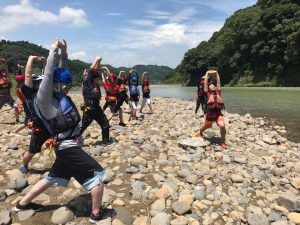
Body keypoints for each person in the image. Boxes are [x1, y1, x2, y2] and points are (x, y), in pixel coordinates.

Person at [14, 39, 108, 223]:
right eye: (65, 86)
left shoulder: (57, 95)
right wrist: (53, 51)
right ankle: (96, 215)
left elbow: (59, 72)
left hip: (65, 145)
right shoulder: (44, 101)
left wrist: (64, 53)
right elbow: (49, 74)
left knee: (51, 177)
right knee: (97, 176)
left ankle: (23, 204)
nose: (68, 88)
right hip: (67, 147)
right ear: (50, 86)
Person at [19, 56, 52, 173]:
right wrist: (30, 59)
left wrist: (45, 62)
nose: (42, 83)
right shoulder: (30, 93)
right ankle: (25, 165)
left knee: (62, 145)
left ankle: (65, 164)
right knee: (32, 151)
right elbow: (27, 76)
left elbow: (48, 74)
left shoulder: (48, 91)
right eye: (39, 82)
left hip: (53, 125)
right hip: (40, 127)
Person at [80, 56, 111, 145]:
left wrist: (99, 62)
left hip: (97, 108)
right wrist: (96, 60)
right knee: (83, 126)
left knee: (105, 123)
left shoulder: (95, 83)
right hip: (89, 108)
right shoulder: (86, 82)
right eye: (96, 78)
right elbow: (91, 71)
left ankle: (105, 140)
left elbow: (94, 71)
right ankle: (72, 140)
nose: (97, 79)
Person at [199, 70, 227, 149]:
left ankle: (222, 141)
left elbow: (218, 82)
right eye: (211, 85)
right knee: (206, 126)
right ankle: (200, 133)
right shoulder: (207, 93)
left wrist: (216, 73)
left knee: (222, 125)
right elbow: (205, 83)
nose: (213, 86)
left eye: (213, 85)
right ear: (208, 87)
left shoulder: (218, 92)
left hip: (218, 113)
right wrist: (207, 73)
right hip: (210, 114)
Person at [0, 58, 20, 124]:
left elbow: (6, 68)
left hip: (8, 97)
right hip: (1, 98)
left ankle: (17, 121)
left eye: (5, 71)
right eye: (3, 72)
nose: (4, 72)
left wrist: (5, 61)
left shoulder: (7, 77)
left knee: (16, 107)